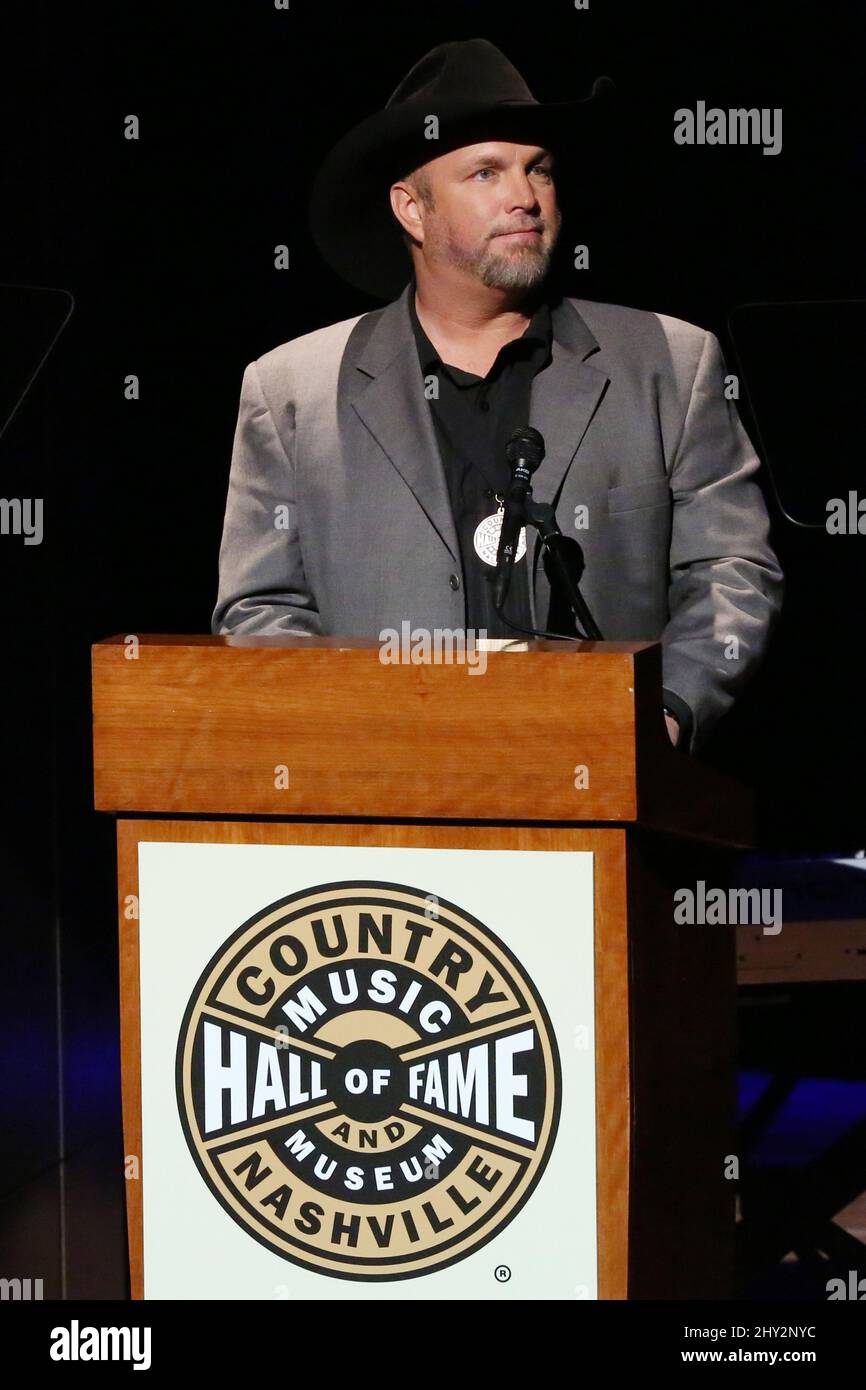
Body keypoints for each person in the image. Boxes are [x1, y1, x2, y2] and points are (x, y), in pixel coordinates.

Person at [212, 38, 784, 754]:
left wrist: (665, 714)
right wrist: (344, 744)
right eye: (486, 172)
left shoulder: (671, 362)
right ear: (411, 210)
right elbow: (262, 607)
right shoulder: (292, 390)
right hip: (388, 807)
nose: (524, 197)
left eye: (537, 169)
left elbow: (732, 571)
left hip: (606, 805)